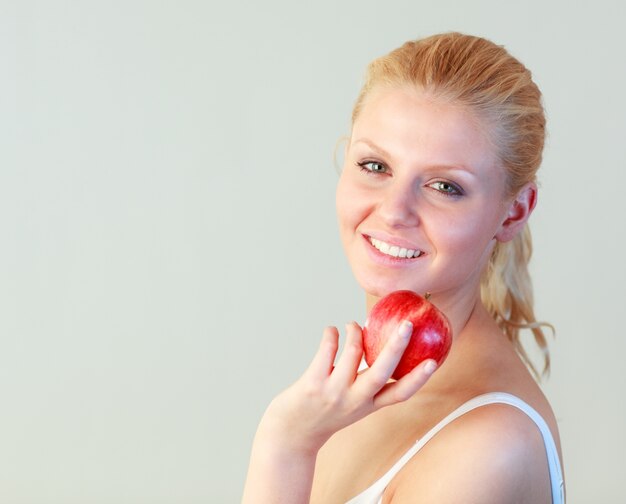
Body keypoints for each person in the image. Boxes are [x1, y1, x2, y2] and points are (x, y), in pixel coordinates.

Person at [242, 32, 565, 503]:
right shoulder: (350, 393)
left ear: (513, 212)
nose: (395, 210)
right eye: (375, 166)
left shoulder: (486, 448)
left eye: (444, 186)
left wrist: (282, 447)